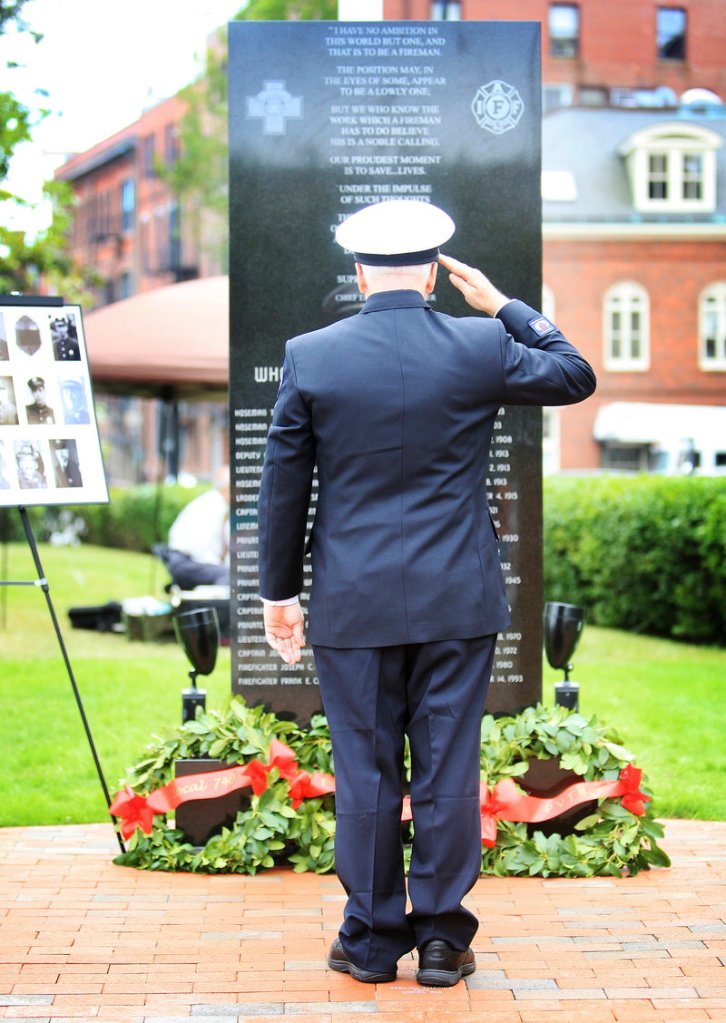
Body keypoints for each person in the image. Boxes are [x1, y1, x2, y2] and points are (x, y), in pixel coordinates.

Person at [257, 199, 596, 988]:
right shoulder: (482, 344)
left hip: (353, 600)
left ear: (358, 272)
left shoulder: (311, 355)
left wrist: (280, 592)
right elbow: (575, 374)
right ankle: (443, 939)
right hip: (457, 598)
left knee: (366, 769)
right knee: (447, 765)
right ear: (439, 269)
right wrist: (504, 306)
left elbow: (284, 487)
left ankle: (373, 941)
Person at [162, 467, 230, 589]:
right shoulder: (212, 505)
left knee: (227, 573)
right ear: (227, 488)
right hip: (185, 563)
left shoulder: (215, 503)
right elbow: (200, 548)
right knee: (227, 575)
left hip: (186, 562)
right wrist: (219, 567)